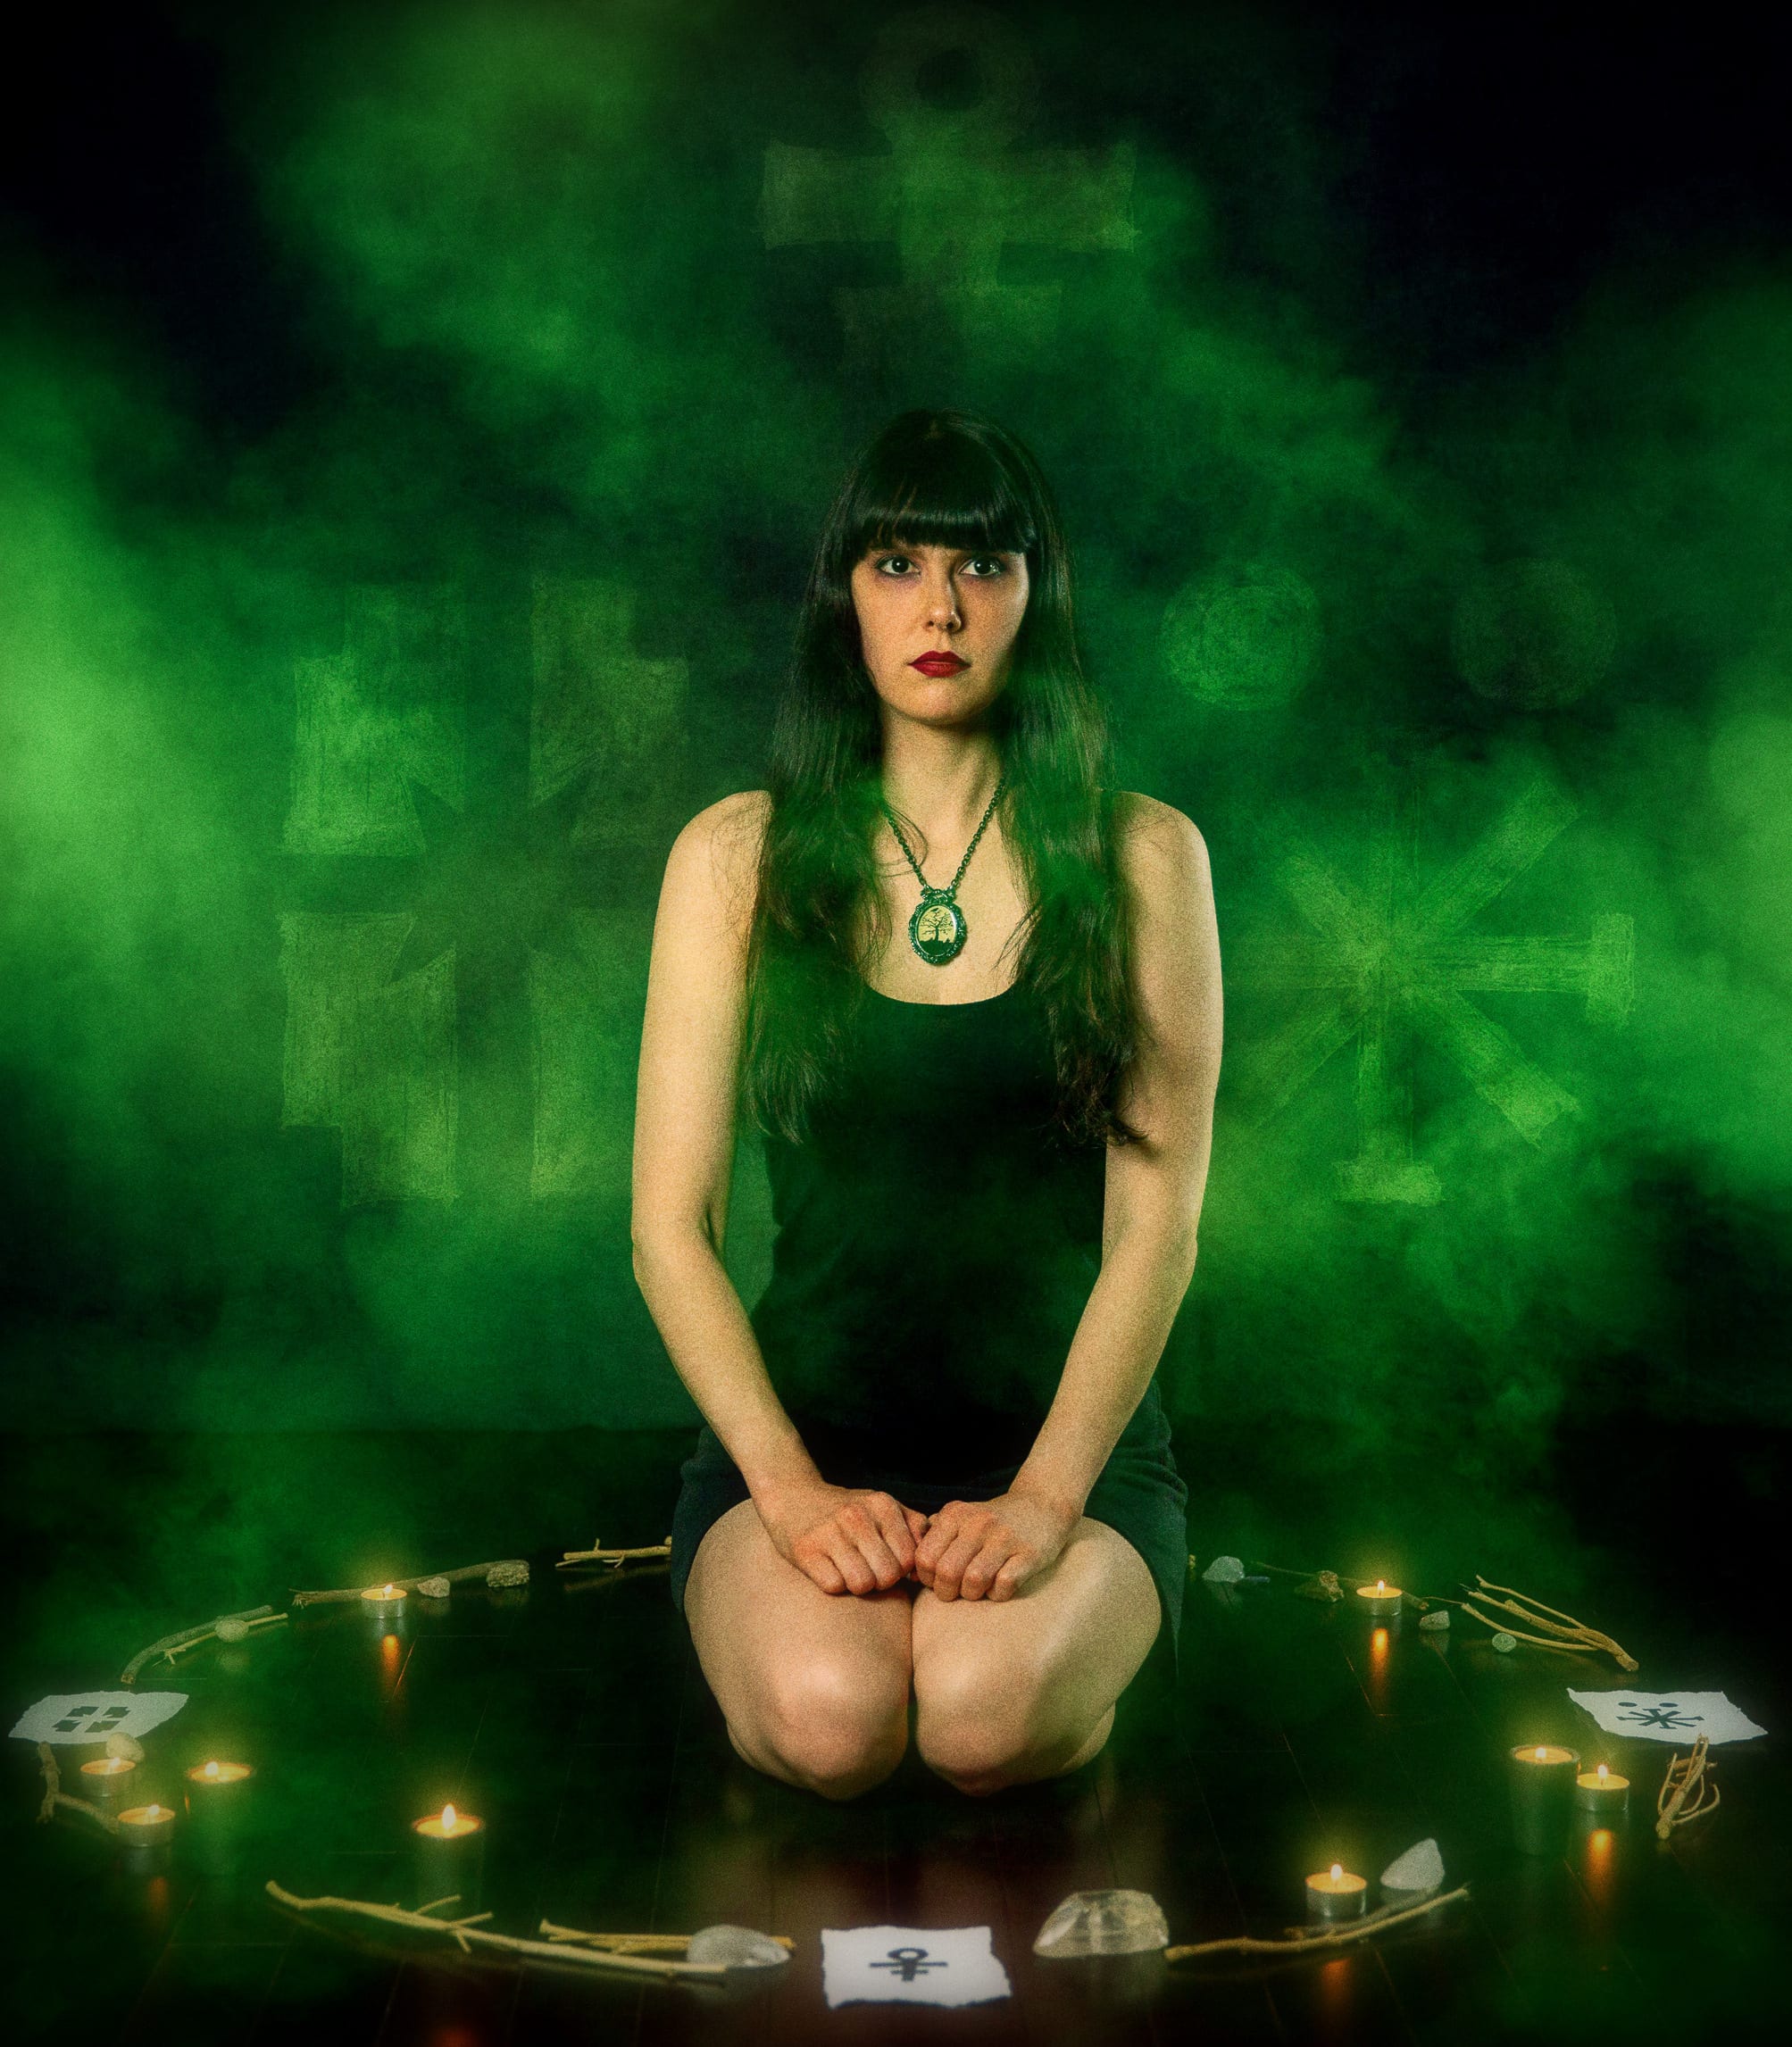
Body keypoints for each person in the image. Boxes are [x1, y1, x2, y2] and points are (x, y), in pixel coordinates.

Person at [630, 408, 1222, 1802]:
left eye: (982, 566)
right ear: (844, 593)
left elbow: (1155, 1229)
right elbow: (670, 1226)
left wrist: (1046, 1499)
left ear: (1036, 593)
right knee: (835, 1720)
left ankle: (1033, 1657)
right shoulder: (736, 856)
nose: (939, 608)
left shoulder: (1143, 855)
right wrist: (789, 1491)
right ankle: (857, 1628)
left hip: (1067, 1450)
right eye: (896, 564)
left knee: (977, 1717)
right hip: (803, 1442)